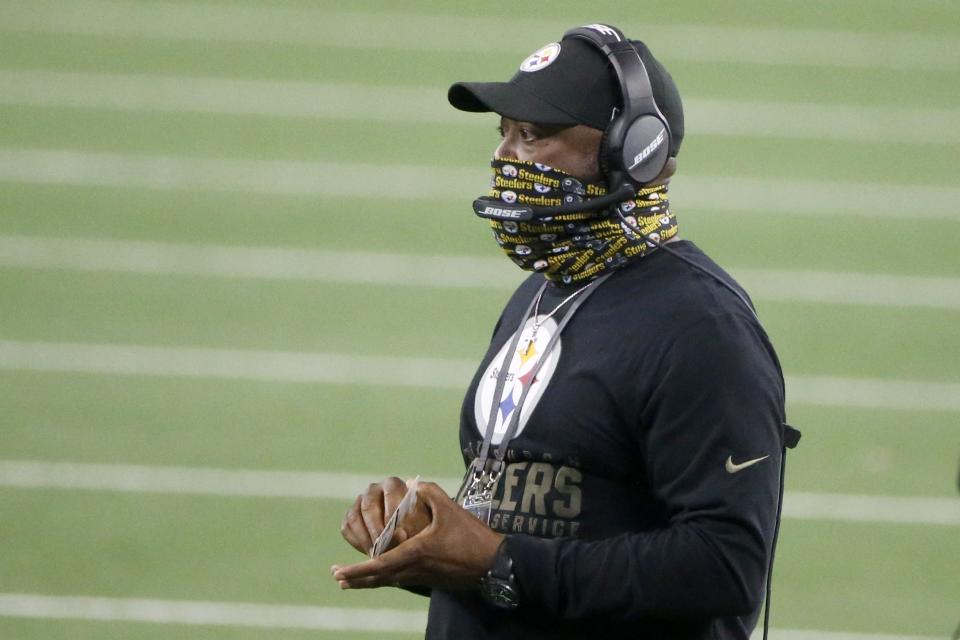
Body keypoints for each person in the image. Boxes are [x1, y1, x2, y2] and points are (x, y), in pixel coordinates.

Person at [333, 23, 795, 640]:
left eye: (532, 135)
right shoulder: (546, 288)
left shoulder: (702, 327)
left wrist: (501, 561)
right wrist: (432, 536)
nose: (504, 159)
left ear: (633, 152)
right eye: (502, 135)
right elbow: (536, 510)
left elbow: (726, 565)